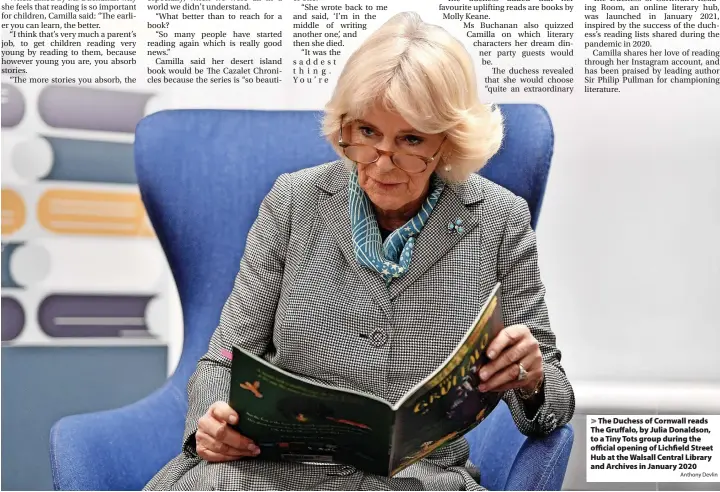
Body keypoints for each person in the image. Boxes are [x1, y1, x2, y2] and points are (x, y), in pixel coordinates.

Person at [145, 11, 574, 491]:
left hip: (414, 481)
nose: (382, 163)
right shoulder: (293, 201)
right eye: (367, 133)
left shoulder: (499, 219)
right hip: (270, 474)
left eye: (410, 140)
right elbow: (224, 360)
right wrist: (211, 426)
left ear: (448, 143)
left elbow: (551, 400)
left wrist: (532, 380)